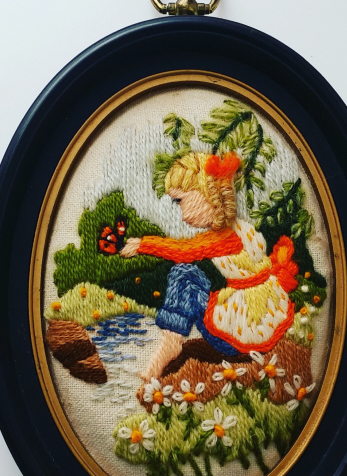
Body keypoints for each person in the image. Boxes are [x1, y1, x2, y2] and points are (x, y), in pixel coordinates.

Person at [120, 152, 298, 381]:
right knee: (193, 276)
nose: (182, 214)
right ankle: (172, 343)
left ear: (207, 194)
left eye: (179, 200)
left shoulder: (227, 237)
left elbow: (184, 251)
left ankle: (170, 346)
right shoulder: (241, 228)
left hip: (244, 332)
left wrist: (142, 244)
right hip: (261, 321)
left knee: (183, 274)